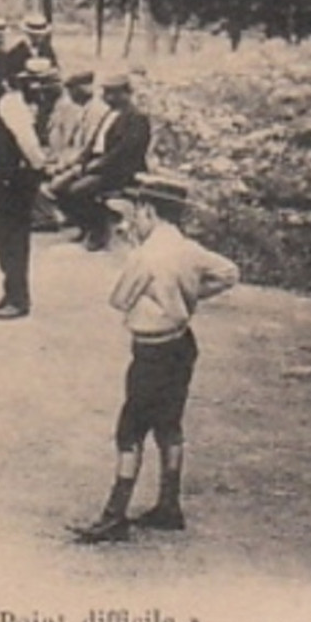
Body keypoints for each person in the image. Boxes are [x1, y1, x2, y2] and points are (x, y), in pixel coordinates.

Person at [70, 175, 239, 543]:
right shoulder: (189, 249)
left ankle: (115, 515)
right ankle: (169, 504)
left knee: (129, 430)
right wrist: (190, 297)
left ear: (149, 211)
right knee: (169, 423)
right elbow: (229, 273)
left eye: (137, 215)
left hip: (149, 351)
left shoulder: (145, 256)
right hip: (181, 343)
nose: (133, 223)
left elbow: (119, 300)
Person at [0, 61, 55, 320]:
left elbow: (27, 142)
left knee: (13, 239)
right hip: (1, 179)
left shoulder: (11, 102)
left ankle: (19, 298)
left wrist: (41, 167)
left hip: (14, 181)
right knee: (2, 238)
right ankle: (10, 291)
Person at [50, 72, 152, 251]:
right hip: (98, 166)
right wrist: (79, 163)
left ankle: (98, 230)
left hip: (120, 170)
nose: (108, 97)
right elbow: (92, 145)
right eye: (106, 92)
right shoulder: (108, 114)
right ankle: (86, 226)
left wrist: (93, 167)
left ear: (127, 93)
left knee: (78, 190)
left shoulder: (136, 118)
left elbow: (123, 152)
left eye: (113, 93)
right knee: (57, 188)